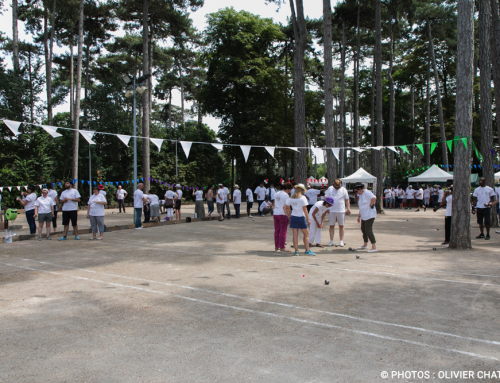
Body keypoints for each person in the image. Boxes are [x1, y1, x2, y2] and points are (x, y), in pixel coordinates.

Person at [284, 184, 316, 256]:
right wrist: (308, 218)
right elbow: (305, 209)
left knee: (295, 234)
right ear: (302, 190)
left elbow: (286, 207)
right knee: (307, 234)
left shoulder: (291, 198)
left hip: (293, 217)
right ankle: (307, 250)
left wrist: (288, 215)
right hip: (301, 217)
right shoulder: (302, 198)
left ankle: (296, 251)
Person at [324, 179, 351, 247]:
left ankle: (341, 240)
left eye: (338, 187)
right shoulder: (330, 188)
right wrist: (326, 208)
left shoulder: (344, 189)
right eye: (335, 187)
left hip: (341, 210)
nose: (336, 188)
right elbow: (326, 198)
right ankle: (331, 241)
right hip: (331, 210)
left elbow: (347, 200)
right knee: (331, 225)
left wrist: (348, 208)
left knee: (341, 226)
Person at [353, 182, 377, 253]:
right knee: (363, 229)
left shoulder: (366, 192)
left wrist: (371, 204)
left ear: (360, 189)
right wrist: (359, 216)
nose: (356, 193)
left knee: (368, 230)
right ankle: (365, 244)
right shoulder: (360, 195)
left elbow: (374, 198)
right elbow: (361, 206)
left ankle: (374, 246)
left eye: (356, 191)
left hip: (370, 215)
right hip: (363, 215)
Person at [273, 182, 293, 252]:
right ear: (287, 188)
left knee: (277, 231)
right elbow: (287, 207)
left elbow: (274, 204)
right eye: (290, 189)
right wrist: (289, 215)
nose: (290, 191)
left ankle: (276, 246)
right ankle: (282, 247)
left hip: (276, 213)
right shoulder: (286, 195)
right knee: (283, 231)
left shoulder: (276, 193)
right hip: (283, 214)